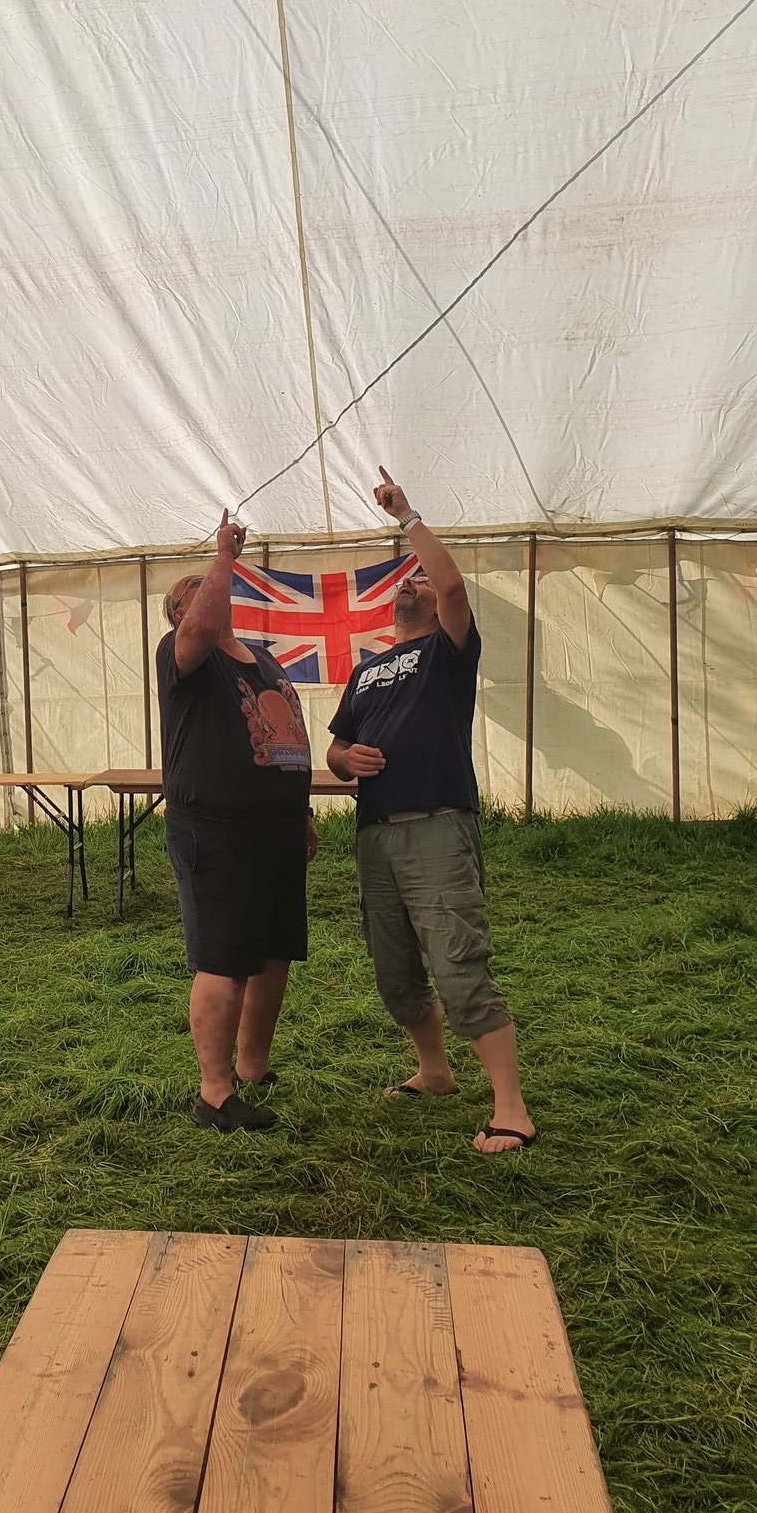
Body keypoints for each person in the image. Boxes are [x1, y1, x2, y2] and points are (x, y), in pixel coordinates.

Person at [326, 468, 537, 1155]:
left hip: (437, 826)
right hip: (374, 836)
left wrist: (407, 517)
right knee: (394, 970)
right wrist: (346, 759)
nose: (410, 586)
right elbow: (335, 745)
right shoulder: (366, 671)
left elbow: (451, 587)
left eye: (416, 580)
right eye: (404, 583)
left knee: (457, 961)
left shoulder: (448, 652)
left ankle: (511, 1109)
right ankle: (434, 1071)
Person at [157, 511, 319, 1131]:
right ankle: (214, 1093)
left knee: (273, 954)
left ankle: (252, 1066)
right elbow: (203, 623)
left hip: (276, 831)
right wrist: (223, 557)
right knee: (224, 959)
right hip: (216, 831)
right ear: (180, 616)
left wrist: (301, 813)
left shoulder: (261, 660)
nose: (207, 591)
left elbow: (288, 736)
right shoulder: (183, 655)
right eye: (192, 591)